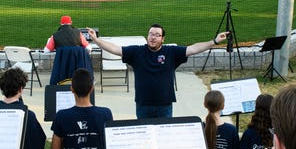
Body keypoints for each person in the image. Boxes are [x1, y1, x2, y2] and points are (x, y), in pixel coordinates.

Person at [86, 25, 229, 118]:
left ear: (162, 38)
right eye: (150, 34)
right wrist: (96, 40)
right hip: (143, 105)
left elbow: (193, 49)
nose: (153, 37)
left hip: (164, 105)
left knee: (164, 137)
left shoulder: (171, 52)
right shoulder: (137, 52)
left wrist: (214, 42)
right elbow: (116, 49)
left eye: (156, 35)